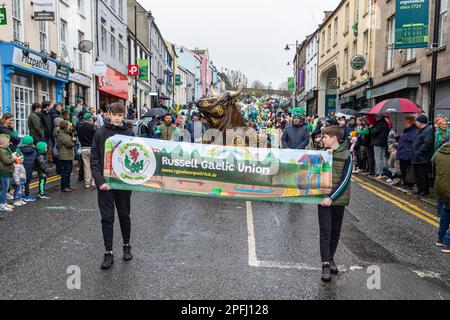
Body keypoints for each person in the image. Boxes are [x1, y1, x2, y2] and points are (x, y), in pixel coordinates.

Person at [91, 102, 134, 270]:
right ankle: (108, 252)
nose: (117, 118)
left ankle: (126, 245)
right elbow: (95, 159)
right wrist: (100, 181)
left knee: (124, 215)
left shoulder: (129, 133)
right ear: (108, 114)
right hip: (106, 185)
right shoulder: (100, 133)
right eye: (114, 114)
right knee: (107, 218)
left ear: (123, 116)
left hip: (123, 184)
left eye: (120, 115)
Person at [318, 125, 353, 282]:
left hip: (337, 199)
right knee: (325, 231)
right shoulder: (323, 154)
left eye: (325, 137)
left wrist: (331, 197)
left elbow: (345, 180)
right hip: (323, 199)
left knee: (335, 232)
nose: (322, 139)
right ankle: (325, 263)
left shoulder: (347, 155)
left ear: (334, 138)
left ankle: (331, 257)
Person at [433, 141, 450, 253]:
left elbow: (432, 163)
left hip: (441, 187)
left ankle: (440, 238)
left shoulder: (439, 151)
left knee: (447, 210)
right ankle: (448, 242)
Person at [411, 114, 434, 196]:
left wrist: (418, 152)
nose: (415, 122)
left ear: (421, 122)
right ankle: (420, 189)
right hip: (416, 157)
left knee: (423, 175)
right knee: (417, 175)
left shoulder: (428, 130)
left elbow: (427, 143)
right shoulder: (420, 130)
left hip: (422, 157)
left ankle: (425, 191)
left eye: (417, 121)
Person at [77, 113, 97, 189]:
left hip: (83, 148)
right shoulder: (93, 127)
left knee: (86, 166)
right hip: (92, 148)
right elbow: (96, 137)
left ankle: (87, 183)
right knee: (94, 165)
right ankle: (94, 182)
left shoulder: (80, 127)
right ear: (90, 119)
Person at [397, 117, 417, 189]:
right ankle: (405, 184)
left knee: (407, 171)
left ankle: (408, 185)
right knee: (403, 170)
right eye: (405, 121)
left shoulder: (413, 131)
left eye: (407, 122)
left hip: (407, 155)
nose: (404, 123)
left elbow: (413, 143)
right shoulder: (406, 131)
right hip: (403, 154)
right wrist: (397, 137)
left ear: (411, 123)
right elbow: (403, 141)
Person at [57, 120, 76, 193]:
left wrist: (71, 130)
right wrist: (73, 140)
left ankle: (68, 185)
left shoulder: (67, 133)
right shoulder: (62, 135)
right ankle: (64, 187)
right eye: (68, 126)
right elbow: (69, 144)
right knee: (66, 172)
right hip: (64, 156)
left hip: (68, 155)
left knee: (69, 171)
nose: (70, 127)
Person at [0, 135, 17, 213]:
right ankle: (2, 205)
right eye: (7, 142)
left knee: (6, 189)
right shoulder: (2, 151)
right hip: (4, 172)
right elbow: (7, 161)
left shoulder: (5, 149)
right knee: (4, 189)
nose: (9, 143)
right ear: (1, 144)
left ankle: (4, 203)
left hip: (6, 171)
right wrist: (13, 158)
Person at [18, 136, 38, 202]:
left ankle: (19, 196)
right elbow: (35, 160)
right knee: (27, 183)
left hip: (20, 169)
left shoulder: (19, 149)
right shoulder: (34, 150)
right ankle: (27, 195)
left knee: (20, 182)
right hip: (29, 169)